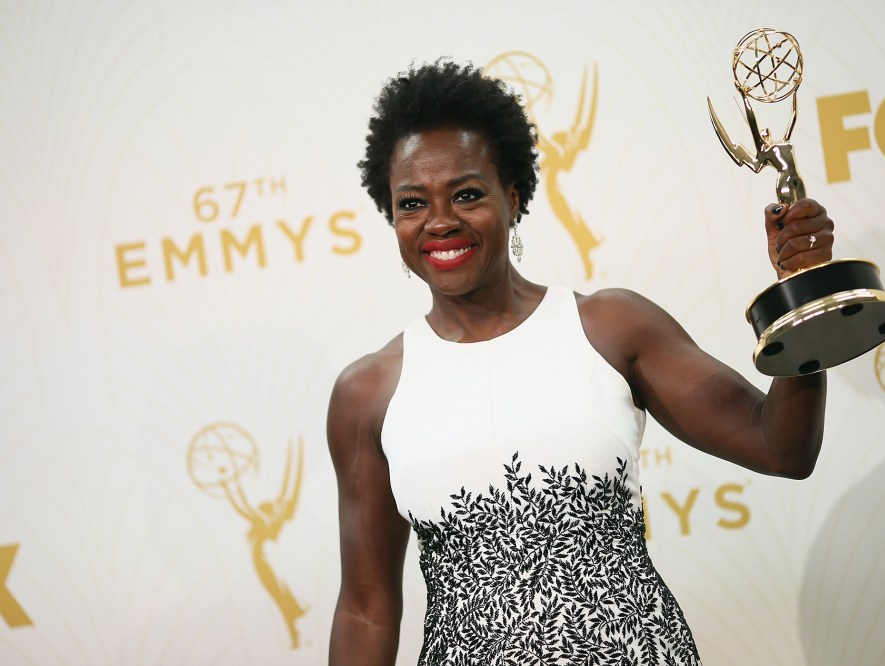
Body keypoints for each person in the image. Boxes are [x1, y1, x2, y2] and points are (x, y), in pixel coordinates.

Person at [327, 59, 832, 665]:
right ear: (393, 218)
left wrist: (804, 299)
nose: (440, 221)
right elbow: (366, 607)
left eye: (466, 194)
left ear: (512, 197)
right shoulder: (367, 394)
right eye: (412, 203)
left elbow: (782, 446)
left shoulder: (612, 327)